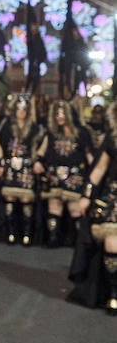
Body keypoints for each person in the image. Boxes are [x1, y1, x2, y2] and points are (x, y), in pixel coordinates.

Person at [69, 101, 117, 315]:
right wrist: (86, 196)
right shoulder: (113, 138)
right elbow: (99, 169)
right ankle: (114, 294)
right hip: (114, 198)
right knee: (112, 243)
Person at [34, 99, 94, 248]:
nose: (59, 117)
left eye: (62, 114)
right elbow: (41, 151)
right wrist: (37, 162)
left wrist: (94, 174)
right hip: (55, 174)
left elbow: (89, 155)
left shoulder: (82, 132)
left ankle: (78, 241)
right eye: (56, 114)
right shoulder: (52, 133)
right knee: (54, 206)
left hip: (75, 175)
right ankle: (53, 239)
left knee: (75, 208)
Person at [0, 94, 41, 245]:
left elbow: (38, 148)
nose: (21, 112)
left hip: (26, 167)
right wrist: (1, 162)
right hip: (10, 166)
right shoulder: (6, 126)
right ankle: (10, 232)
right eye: (19, 109)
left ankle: (26, 234)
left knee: (25, 199)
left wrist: (37, 162)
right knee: (9, 197)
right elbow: (0, 144)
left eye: (24, 109)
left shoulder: (35, 129)